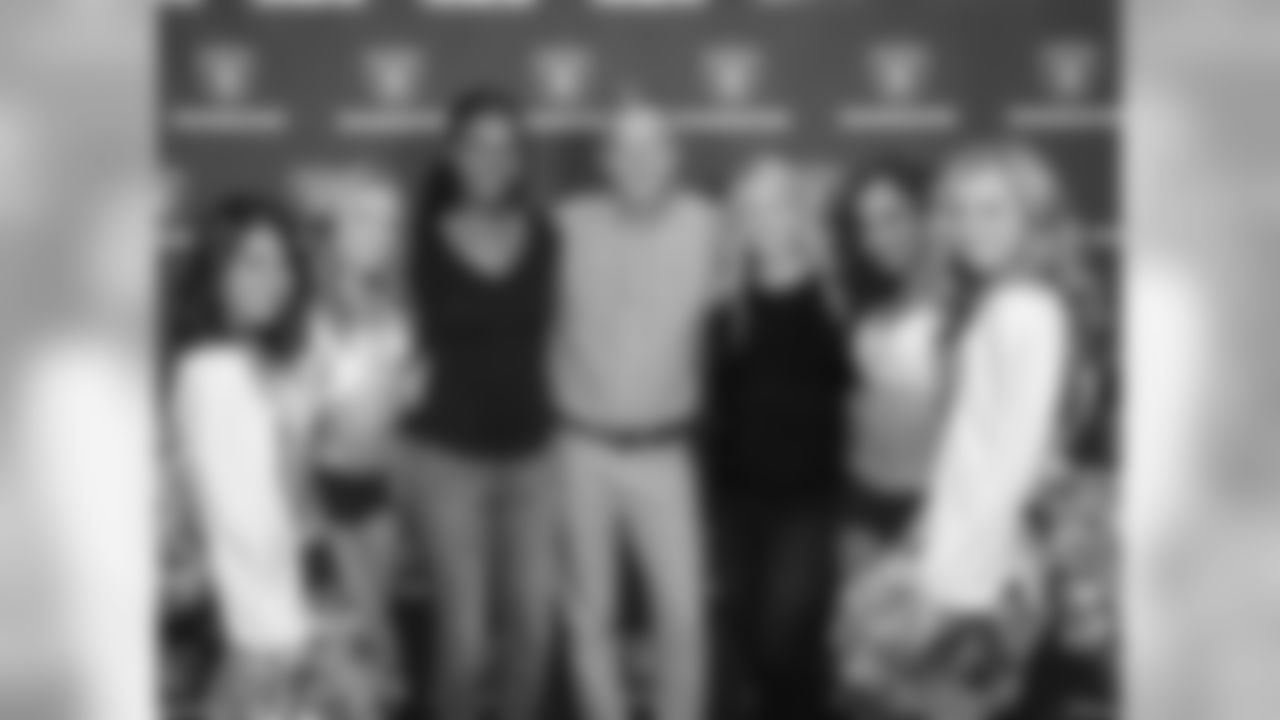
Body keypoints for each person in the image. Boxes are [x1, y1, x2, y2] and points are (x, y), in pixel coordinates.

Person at [555, 101, 730, 720]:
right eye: (624, 148)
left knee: (683, 611)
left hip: (665, 450)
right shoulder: (565, 225)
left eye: (653, 146)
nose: (639, 161)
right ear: (604, 160)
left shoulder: (712, 226)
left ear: (675, 157)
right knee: (591, 614)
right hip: (579, 448)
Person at [399, 90, 561, 720]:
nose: (492, 158)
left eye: (506, 146)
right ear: (452, 153)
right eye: (477, 145)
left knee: (534, 629)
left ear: (519, 159)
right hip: (447, 460)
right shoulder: (419, 238)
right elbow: (388, 341)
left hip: (533, 460)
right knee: (464, 641)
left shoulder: (547, 236)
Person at [171, 195, 320, 720]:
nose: (274, 279)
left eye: (282, 262)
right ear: (216, 270)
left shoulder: (247, 361)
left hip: (266, 617)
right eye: (252, 262)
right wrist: (283, 632)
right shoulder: (216, 372)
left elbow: (285, 505)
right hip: (262, 627)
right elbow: (243, 521)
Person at [710, 156, 848, 720]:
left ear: (798, 214)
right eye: (750, 209)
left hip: (809, 502)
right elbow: (718, 410)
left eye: (776, 204)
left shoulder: (835, 300)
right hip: (738, 502)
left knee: (785, 632)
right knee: (747, 631)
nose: (764, 220)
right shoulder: (726, 308)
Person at [304, 169, 419, 717]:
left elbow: (395, 399)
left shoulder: (392, 303)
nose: (378, 234)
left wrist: (405, 392)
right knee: (365, 631)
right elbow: (295, 415)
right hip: (327, 487)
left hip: (381, 485)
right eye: (364, 220)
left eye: (388, 223)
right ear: (338, 229)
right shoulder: (307, 307)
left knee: (376, 628)